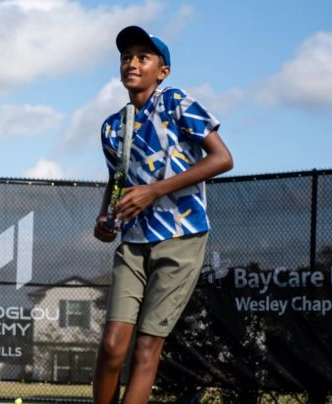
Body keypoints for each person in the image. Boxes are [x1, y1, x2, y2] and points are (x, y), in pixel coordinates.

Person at [92, 26, 233, 403]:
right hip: (133, 242)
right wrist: (105, 216)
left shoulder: (177, 103)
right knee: (111, 347)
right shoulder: (111, 127)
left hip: (182, 238)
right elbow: (117, 179)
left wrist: (154, 191)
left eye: (143, 57)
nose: (132, 63)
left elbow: (222, 159)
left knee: (145, 349)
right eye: (126, 57)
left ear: (163, 71)